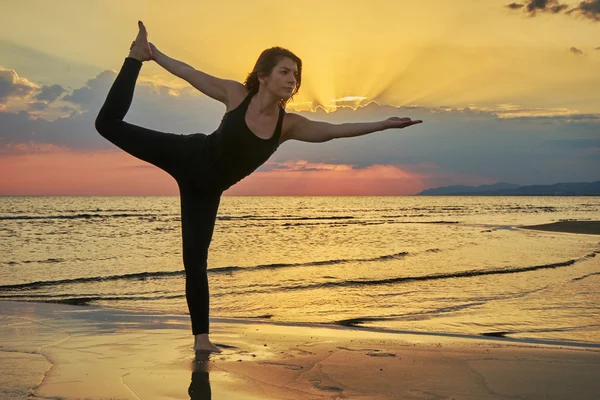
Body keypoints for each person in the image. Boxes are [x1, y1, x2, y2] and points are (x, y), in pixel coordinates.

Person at [95, 21, 423, 353]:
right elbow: (189, 72)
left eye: (295, 74)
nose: (292, 79)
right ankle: (135, 58)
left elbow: (334, 130)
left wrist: (383, 125)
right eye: (284, 71)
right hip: (186, 154)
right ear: (263, 76)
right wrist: (152, 54)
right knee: (107, 124)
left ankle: (202, 342)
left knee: (195, 261)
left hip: (205, 192)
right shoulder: (237, 95)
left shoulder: (288, 125)